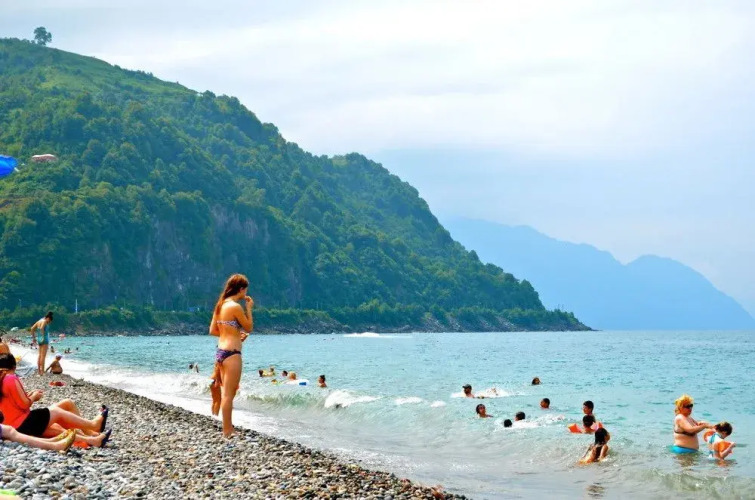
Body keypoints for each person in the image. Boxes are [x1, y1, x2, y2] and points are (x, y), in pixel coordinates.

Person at [0, 354, 110, 446]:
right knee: (56, 413)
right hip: (22, 423)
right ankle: (93, 425)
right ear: (14, 367)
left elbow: (11, 402)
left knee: (65, 408)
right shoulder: (10, 378)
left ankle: (91, 437)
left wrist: (28, 395)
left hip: (14, 425)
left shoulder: (2, 379)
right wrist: (34, 397)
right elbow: (25, 404)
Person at [209, 274, 253, 438]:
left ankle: (228, 427)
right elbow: (248, 327)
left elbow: (213, 331)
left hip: (221, 351)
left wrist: (234, 334)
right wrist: (249, 308)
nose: (245, 293)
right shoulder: (235, 306)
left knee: (227, 392)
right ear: (241, 289)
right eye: (245, 290)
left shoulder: (220, 305)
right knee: (229, 394)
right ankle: (227, 430)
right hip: (232, 354)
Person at [1, 411, 77, 453]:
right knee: (9, 431)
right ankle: (55, 446)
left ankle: (50, 441)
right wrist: (34, 396)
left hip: (16, 420)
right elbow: (24, 403)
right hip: (18, 421)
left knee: (9, 430)